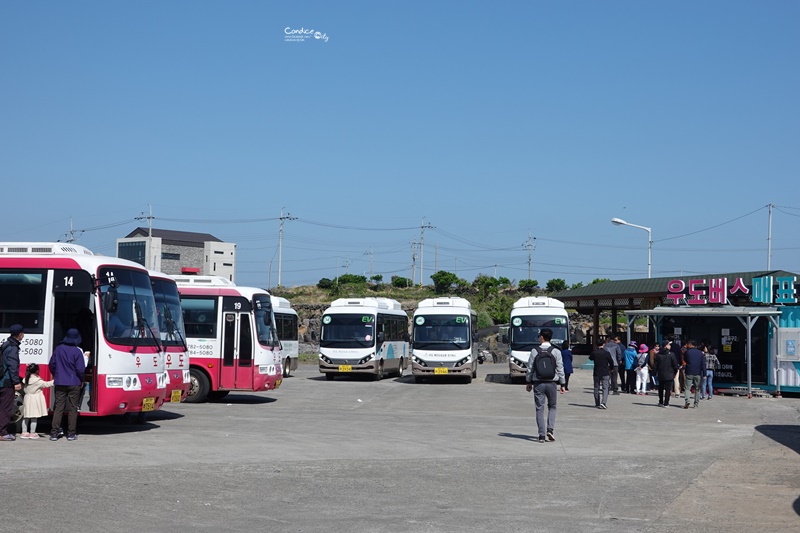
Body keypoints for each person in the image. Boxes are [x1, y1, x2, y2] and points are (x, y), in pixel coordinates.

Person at [525, 328, 565, 443]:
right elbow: (560, 368)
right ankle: (550, 430)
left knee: (539, 409)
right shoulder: (556, 351)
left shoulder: (535, 351)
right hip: (552, 383)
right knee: (552, 407)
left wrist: (528, 381)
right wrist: (562, 384)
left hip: (538, 383)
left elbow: (530, 368)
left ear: (542, 337)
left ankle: (541, 435)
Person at [49, 328, 86, 441]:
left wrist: (57, 374)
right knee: (72, 408)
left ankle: (54, 433)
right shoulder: (77, 351)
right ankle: (71, 434)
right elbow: (80, 369)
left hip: (60, 382)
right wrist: (82, 380)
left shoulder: (58, 349)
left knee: (59, 407)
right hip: (74, 382)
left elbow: (52, 364)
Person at [0, 324, 24, 441]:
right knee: (6, 408)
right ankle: (2, 433)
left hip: (1, 380)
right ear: (20, 334)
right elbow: (12, 366)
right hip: (7, 382)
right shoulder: (13, 347)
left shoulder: (5, 344)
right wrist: (16, 382)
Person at [20, 363, 54, 439]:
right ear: (37, 371)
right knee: (34, 417)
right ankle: (33, 433)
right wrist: (55, 381)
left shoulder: (26, 379)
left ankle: (24, 432)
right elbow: (47, 384)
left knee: (26, 416)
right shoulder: (38, 381)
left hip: (27, 398)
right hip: (34, 399)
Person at [589, 338, 615, 409]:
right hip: (605, 372)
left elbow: (590, 358)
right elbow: (611, 362)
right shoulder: (606, 353)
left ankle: (597, 402)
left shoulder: (594, 352)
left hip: (596, 372)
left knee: (596, 388)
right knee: (605, 388)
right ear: (603, 344)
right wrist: (612, 368)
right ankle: (603, 402)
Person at [655, 340, 680, 408]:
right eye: (669, 344)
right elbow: (675, 365)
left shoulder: (658, 354)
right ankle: (666, 403)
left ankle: (660, 401)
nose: (670, 346)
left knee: (660, 388)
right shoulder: (671, 354)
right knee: (668, 389)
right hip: (669, 374)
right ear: (666, 346)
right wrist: (675, 372)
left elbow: (655, 365)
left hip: (661, 374)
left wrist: (655, 373)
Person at [682, 340, 706, 409]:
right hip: (698, 373)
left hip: (689, 372)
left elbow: (685, 360)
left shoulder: (687, 352)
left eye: (688, 344)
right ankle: (696, 404)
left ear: (690, 344)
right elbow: (703, 364)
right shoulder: (700, 353)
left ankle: (687, 400)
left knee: (687, 388)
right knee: (697, 389)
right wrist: (704, 374)